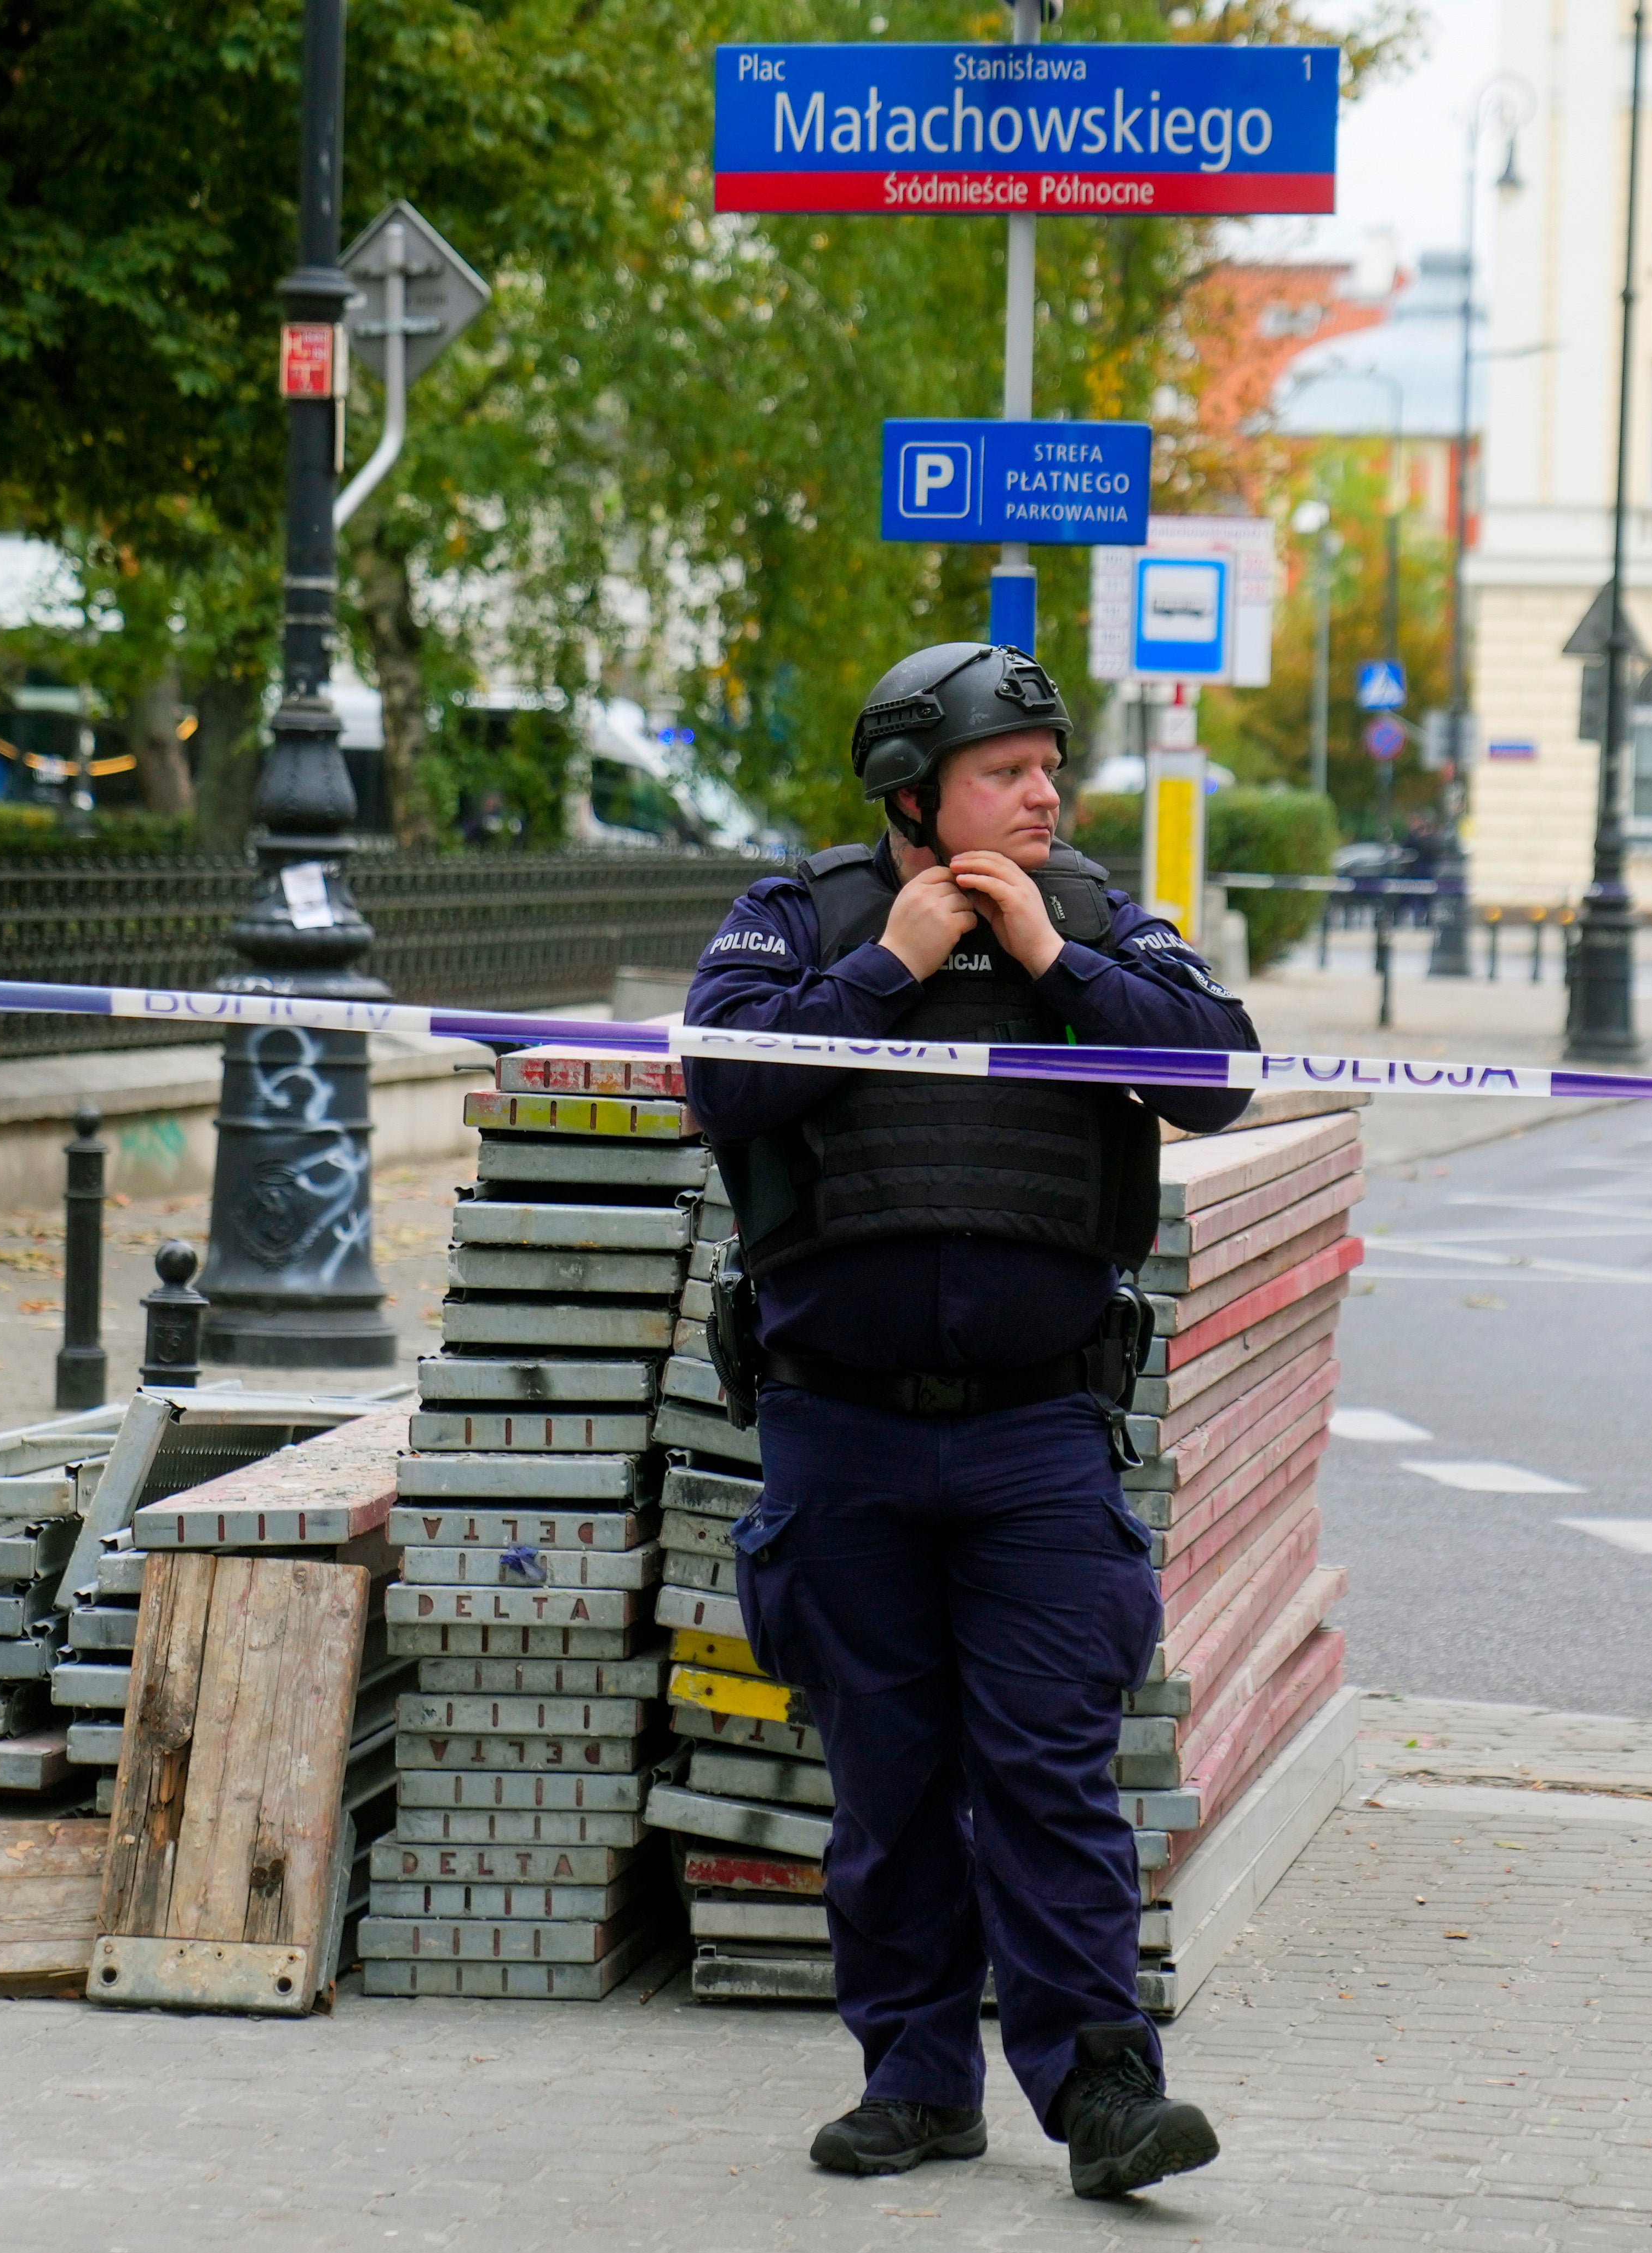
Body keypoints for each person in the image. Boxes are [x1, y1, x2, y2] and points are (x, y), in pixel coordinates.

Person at [682, 641, 1259, 2202]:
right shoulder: (793, 919)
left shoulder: (1096, 917)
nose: (1049, 793)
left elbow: (1221, 1078)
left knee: (1049, 1771)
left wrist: (1057, 963)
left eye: (1050, 769)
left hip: (1033, 1437)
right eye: (1014, 772)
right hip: (838, 1432)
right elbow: (717, 1080)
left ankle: (1103, 2092)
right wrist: (890, 966)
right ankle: (917, 2081)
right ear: (915, 795)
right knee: (885, 1776)